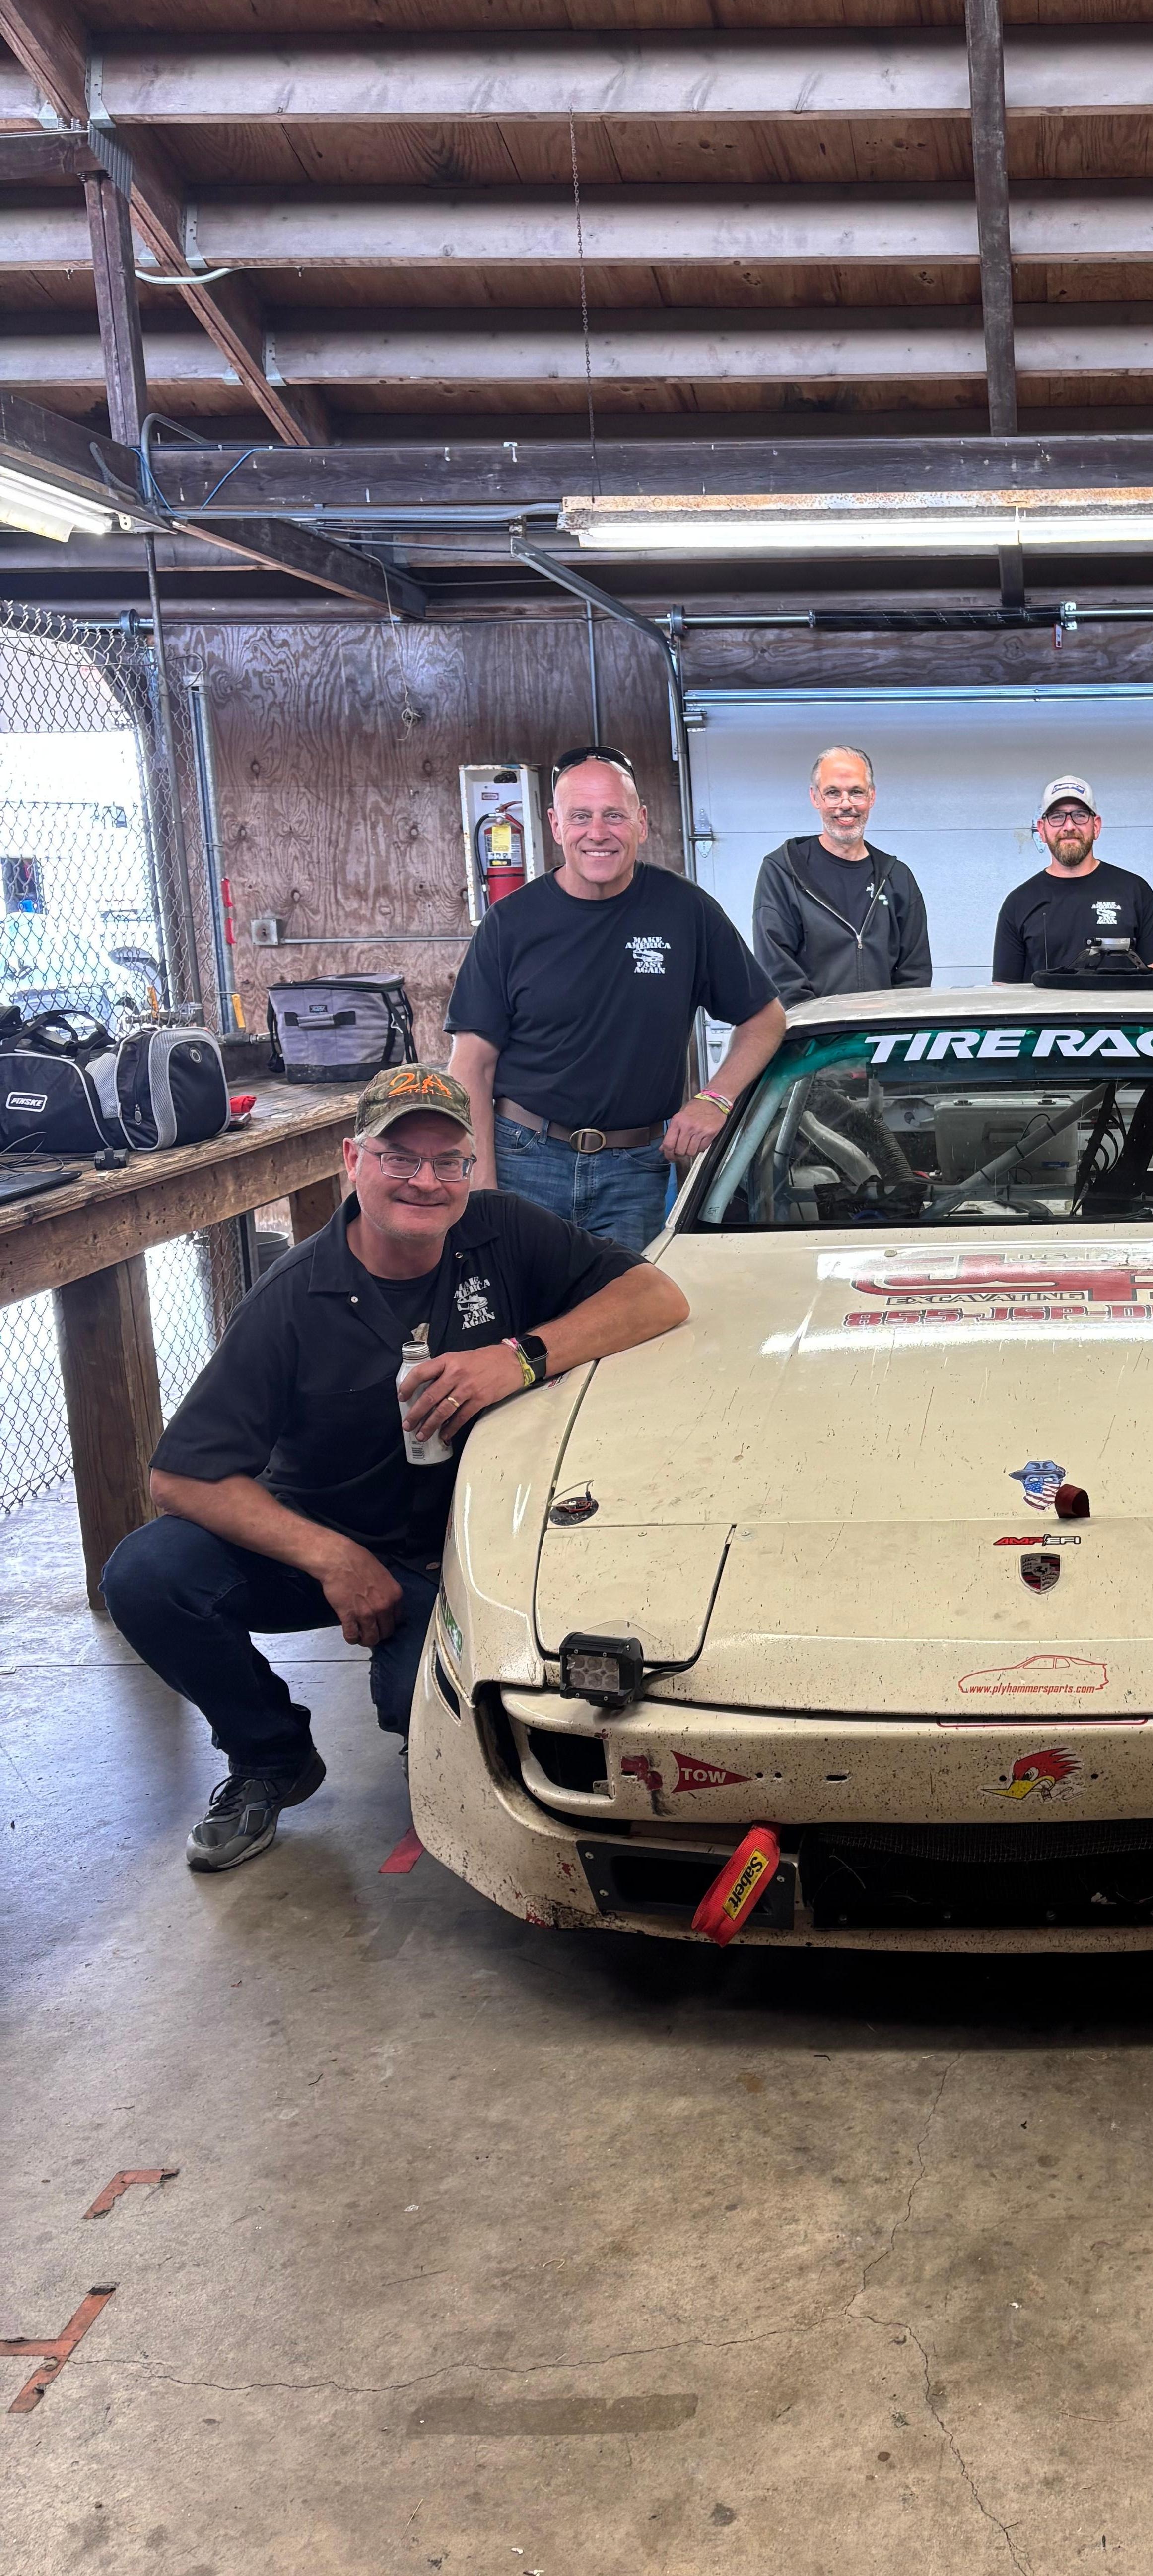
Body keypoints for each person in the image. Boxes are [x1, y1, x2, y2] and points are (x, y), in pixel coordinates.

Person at [102, 1066, 689, 1873]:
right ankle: (269, 1755)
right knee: (146, 1574)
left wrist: (518, 1357)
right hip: (332, 1541)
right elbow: (182, 1477)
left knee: (431, 1719)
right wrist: (332, 1558)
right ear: (353, 1160)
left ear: (472, 1166)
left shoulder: (505, 1231)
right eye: (398, 1157)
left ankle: (430, 1711)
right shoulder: (292, 1299)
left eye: (448, 1160)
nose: (426, 1180)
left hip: (475, 1556)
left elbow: (658, 1297)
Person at [447, 746, 785, 1250]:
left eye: (614, 816)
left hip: (635, 1172)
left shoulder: (685, 911)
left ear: (642, 823)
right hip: (524, 1160)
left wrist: (716, 1097)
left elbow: (765, 1019)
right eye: (580, 817)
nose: (598, 833)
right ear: (556, 825)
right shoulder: (510, 924)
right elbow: (471, 1066)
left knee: (626, 1300)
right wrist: (481, 1188)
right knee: (524, 1298)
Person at [752, 744, 932, 1004]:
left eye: (856, 792)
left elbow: (915, 973)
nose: (846, 804)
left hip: (882, 1027)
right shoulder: (782, 872)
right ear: (815, 798)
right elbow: (778, 971)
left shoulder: (897, 878)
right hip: (812, 1028)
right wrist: (819, 1024)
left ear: (872, 797)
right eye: (833, 793)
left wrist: (891, 1022)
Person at [993, 775, 1153, 980]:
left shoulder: (1134, 890)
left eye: (1080, 815)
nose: (1069, 826)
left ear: (1096, 826)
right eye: (1057, 817)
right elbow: (1005, 990)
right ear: (1042, 829)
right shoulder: (1018, 902)